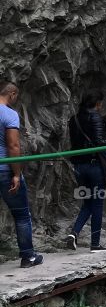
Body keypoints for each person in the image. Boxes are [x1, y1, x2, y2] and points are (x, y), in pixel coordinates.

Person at [66, 91, 106, 252]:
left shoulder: (74, 119)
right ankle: (95, 244)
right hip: (94, 165)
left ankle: (74, 233)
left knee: (87, 201)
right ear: (97, 103)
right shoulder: (95, 117)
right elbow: (100, 142)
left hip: (78, 166)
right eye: (100, 103)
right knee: (97, 204)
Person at [0, 81, 42, 268]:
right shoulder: (9, 114)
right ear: (12, 94)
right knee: (22, 215)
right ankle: (28, 256)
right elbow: (13, 146)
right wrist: (16, 174)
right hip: (4, 170)